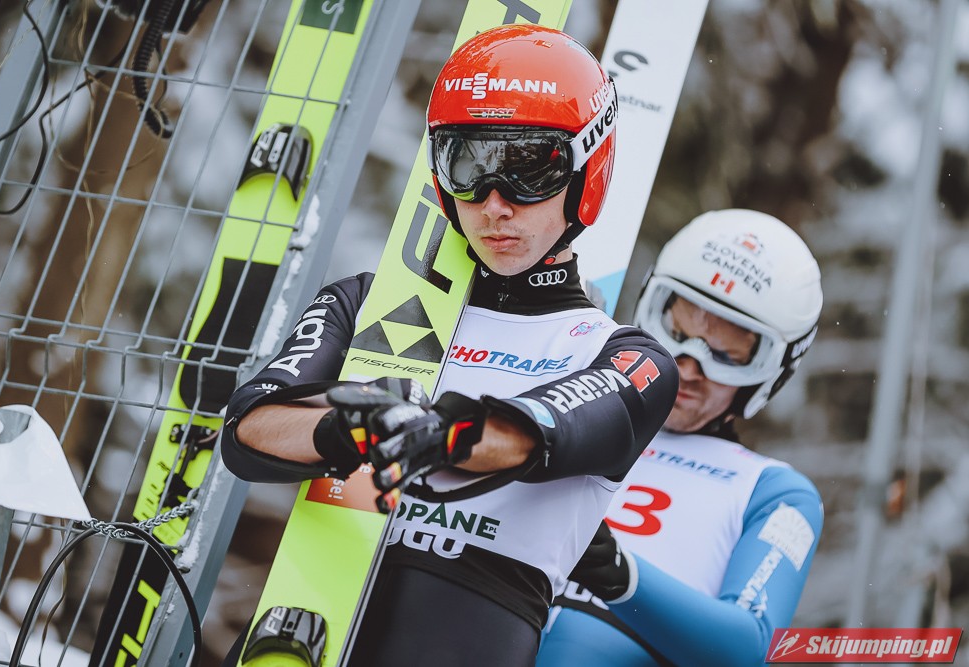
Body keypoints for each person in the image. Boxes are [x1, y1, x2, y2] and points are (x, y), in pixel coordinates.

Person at [220, 24, 678, 667]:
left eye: (529, 171)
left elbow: (535, 433)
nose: (495, 205)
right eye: (469, 167)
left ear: (586, 172)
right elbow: (248, 429)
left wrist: (439, 433)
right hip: (306, 626)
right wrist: (348, 429)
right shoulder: (364, 301)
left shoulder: (629, 358)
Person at [536, 209, 825, 667]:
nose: (688, 366)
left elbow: (749, 646)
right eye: (677, 332)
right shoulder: (568, 405)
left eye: (725, 354)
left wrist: (616, 573)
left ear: (771, 371)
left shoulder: (774, 491)